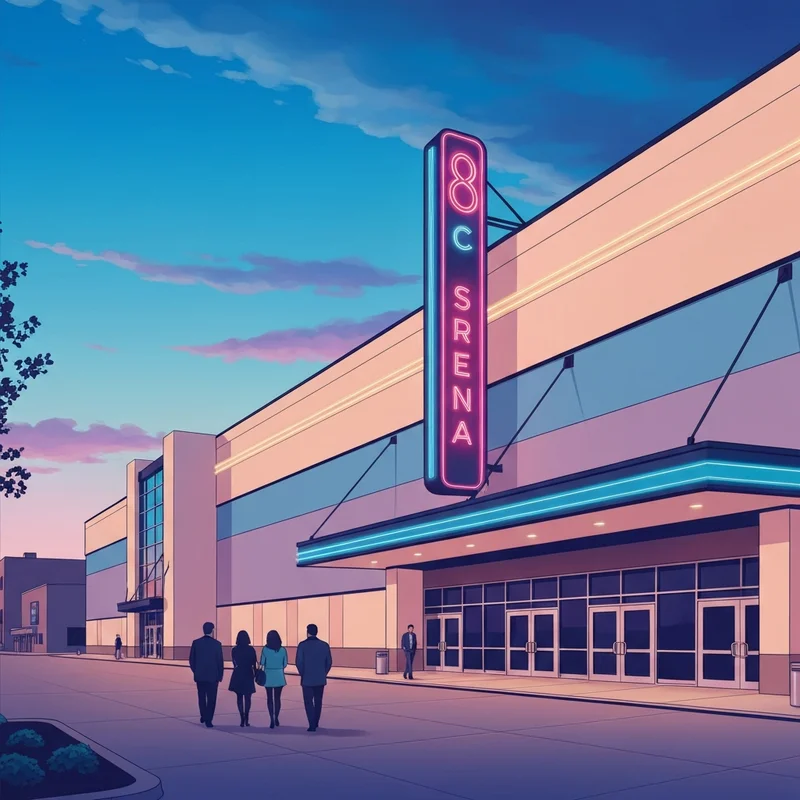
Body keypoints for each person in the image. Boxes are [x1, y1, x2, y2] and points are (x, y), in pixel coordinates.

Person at [295, 623, 332, 732]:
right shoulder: (324, 645)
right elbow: (329, 662)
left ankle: (311, 724)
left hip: (307, 679)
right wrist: (323, 673)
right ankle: (316, 721)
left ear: (307, 632)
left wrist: (303, 673)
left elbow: (299, 662)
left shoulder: (302, 645)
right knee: (318, 701)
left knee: (308, 702)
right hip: (320, 678)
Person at [189, 621, 224, 728]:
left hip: (200, 676)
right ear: (212, 630)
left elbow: (191, 660)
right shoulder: (217, 644)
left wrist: (196, 670)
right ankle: (209, 719)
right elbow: (220, 661)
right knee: (212, 699)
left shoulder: (196, 643)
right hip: (213, 676)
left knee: (201, 697)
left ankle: (203, 715)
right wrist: (220, 675)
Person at [260, 629, 288, 729]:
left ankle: (271, 719)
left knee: (269, 698)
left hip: (268, 675)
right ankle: (276, 717)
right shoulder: (283, 650)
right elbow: (285, 664)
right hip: (279, 676)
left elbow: (262, 662)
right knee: (277, 698)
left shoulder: (265, 649)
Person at [229, 630, 258, 727]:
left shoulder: (234, 650)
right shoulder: (251, 650)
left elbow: (234, 662)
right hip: (248, 673)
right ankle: (247, 718)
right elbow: (254, 663)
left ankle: (241, 718)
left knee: (239, 697)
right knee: (248, 698)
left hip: (238, 673)